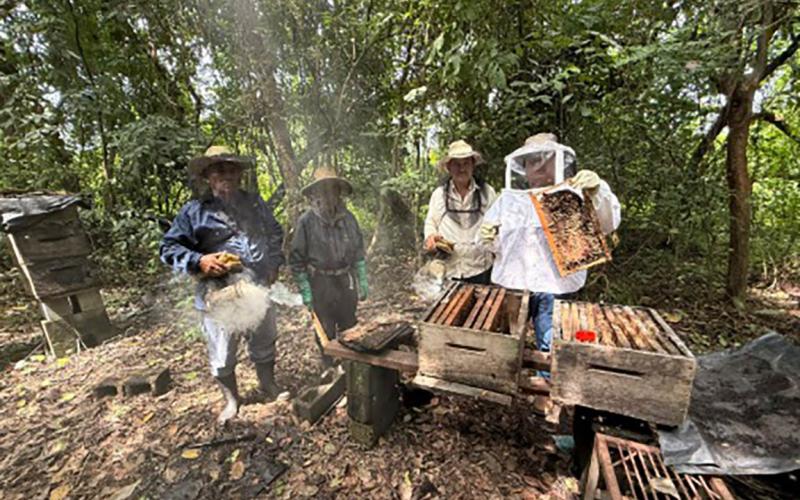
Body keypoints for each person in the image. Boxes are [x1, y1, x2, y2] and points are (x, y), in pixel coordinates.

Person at [480, 133, 621, 412]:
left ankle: (545, 397)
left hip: (556, 286)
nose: (540, 168)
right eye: (533, 162)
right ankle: (508, 391)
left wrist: (599, 191)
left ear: (559, 162)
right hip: (514, 285)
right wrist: (487, 238)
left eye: (545, 161)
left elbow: (608, 223)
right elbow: (494, 245)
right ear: (524, 168)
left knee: (550, 343)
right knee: (511, 339)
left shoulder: (573, 195)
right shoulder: (508, 200)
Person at [160, 145, 285, 424]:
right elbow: (168, 247)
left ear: (239, 173)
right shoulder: (194, 212)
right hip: (218, 292)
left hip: (257, 286)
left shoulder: (255, 203)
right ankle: (232, 400)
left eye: (230, 168)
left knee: (264, 340)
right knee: (223, 351)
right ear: (207, 176)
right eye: (217, 169)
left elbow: (275, 232)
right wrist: (200, 260)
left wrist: (275, 262)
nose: (225, 174)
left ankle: (268, 386)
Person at [290, 167, 368, 362]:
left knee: (349, 324)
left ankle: (350, 365)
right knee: (325, 328)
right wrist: (305, 288)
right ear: (315, 193)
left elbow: (358, 250)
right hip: (320, 282)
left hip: (345, 280)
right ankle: (329, 367)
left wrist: (362, 277)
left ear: (338, 192)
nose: (328, 195)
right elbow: (296, 258)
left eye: (332, 189)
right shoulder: (306, 221)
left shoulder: (349, 218)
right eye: (323, 190)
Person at [423, 140, 497, 284]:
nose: (462, 169)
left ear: (473, 165)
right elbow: (431, 222)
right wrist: (431, 237)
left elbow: (496, 225)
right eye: (457, 164)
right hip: (449, 270)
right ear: (449, 167)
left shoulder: (487, 192)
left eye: (466, 164)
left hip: (479, 268)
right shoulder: (439, 194)